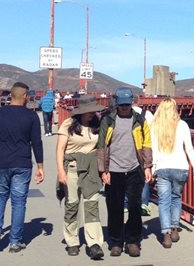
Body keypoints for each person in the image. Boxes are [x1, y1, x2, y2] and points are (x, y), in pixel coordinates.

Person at [97, 87, 152, 258]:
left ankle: (133, 241)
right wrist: (103, 171)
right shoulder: (108, 120)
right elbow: (101, 146)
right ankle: (116, 242)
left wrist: (148, 166)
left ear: (132, 103)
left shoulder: (140, 120)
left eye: (127, 105)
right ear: (117, 104)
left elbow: (147, 144)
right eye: (122, 105)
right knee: (114, 208)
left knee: (135, 208)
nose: (125, 108)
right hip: (113, 170)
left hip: (134, 169)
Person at [55, 95, 105, 259]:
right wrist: (60, 172)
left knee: (92, 205)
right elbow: (60, 149)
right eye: (89, 112)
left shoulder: (97, 124)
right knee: (72, 205)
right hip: (72, 169)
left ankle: (94, 243)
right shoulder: (68, 125)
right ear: (81, 112)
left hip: (91, 170)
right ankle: (72, 241)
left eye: (93, 111)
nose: (92, 114)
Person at [0, 82, 44, 253]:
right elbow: (37, 143)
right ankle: (15, 242)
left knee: (1, 198)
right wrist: (40, 166)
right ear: (25, 96)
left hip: (1, 162)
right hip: (22, 164)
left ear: (11, 95)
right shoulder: (31, 116)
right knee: (18, 202)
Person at [151, 98, 194, 248]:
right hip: (180, 167)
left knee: (164, 201)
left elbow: (153, 149)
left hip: (163, 167)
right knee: (176, 198)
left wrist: (153, 168)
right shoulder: (182, 125)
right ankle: (174, 228)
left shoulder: (155, 126)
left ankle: (165, 235)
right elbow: (189, 148)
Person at [130, 96, 154, 216]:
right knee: (144, 173)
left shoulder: (126, 113)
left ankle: (126, 203)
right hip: (144, 148)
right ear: (138, 102)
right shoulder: (147, 114)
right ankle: (144, 203)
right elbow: (152, 132)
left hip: (130, 149)